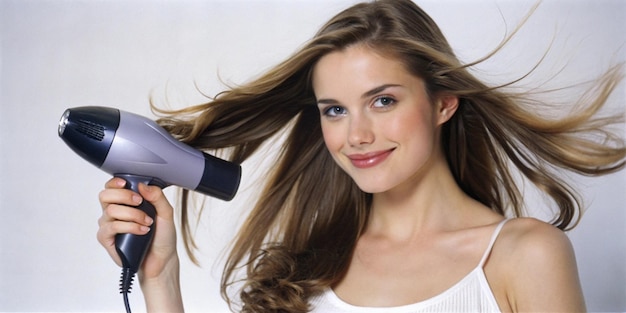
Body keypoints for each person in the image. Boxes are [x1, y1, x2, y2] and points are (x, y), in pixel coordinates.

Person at [96, 0, 625, 312]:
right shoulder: (307, 270)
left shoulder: (523, 256)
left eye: (384, 100)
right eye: (334, 110)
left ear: (442, 103)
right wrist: (159, 278)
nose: (357, 135)